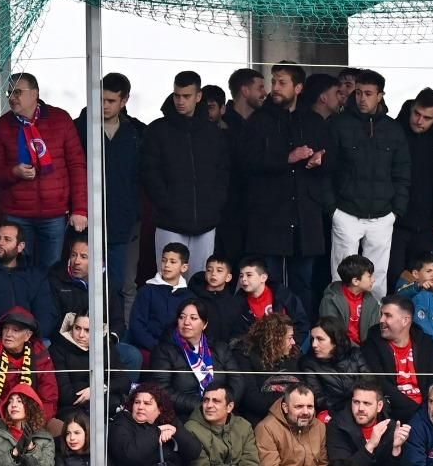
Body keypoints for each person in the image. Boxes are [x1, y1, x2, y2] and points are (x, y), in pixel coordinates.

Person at [230, 62, 331, 306]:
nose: (275, 87)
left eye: (282, 83)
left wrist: (320, 159)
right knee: (268, 282)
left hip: (304, 214)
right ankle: (269, 328)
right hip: (269, 215)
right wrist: (287, 158)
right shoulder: (258, 121)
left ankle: (300, 328)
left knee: (303, 282)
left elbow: (334, 158)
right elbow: (245, 161)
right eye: (273, 81)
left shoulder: (314, 121)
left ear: (298, 88)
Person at [0, 72, 88, 269]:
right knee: (19, 271)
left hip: (54, 213)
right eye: (8, 93)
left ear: (35, 94)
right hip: (16, 213)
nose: (11, 97)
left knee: (51, 270)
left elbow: (77, 166)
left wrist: (80, 209)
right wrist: (14, 172)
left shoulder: (60, 119)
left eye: (17, 92)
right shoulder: (2, 125)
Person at [328, 69, 410, 300]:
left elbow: (402, 171)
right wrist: (333, 209)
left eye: (368, 93)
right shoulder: (339, 124)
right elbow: (327, 169)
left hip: (383, 214)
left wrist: (396, 211)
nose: (362, 98)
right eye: (358, 93)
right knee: (342, 275)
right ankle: (339, 320)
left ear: (380, 95)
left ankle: (375, 320)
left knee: (377, 277)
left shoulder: (393, 129)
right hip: (346, 212)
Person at [142, 69, 229, 270]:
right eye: (177, 95)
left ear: (198, 96)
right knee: (168, 280)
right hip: (169, 221)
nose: (180, 101)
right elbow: (149, 172)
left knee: (201, 280)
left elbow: (223, 172)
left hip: (206, 222)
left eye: (186, 96)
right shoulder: (157, 130)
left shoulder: (213, 133)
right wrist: (166, 203)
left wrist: (214, 204)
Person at [75, 72, 144, 319]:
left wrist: (134, 211)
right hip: (86, 220)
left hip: (124, 221)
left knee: (123, 283)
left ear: (124, 100)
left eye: (111, 101)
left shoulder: (136, 132)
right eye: (100, 99)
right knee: (83, 281)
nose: (104, 105)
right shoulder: (79, 128)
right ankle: (82, 331)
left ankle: (118, 333)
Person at [362, 293, 433, 422]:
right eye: (381, 314)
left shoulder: (426, 343)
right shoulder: (372, 345)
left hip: (428, 410)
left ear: (405, 320)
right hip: (394, 414)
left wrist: (427, 409)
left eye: (388, 315)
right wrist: (417, 413)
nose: (381, 320)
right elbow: (381, 384)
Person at [0, 305, 59, 425]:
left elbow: (49, 398)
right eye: (5, 328)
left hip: (34, 418)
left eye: (15, 330)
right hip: (0, 418)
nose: (8, 334)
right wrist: (12, 418)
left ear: (28, 335)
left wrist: (33, 420)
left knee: (59, 427)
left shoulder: (40, 354)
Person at [394, 90, 433, 283]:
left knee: (424, 279)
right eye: (417, 113)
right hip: (396, 221)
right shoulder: (395, 132)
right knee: (393, 276)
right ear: (411, 108)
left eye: (427, 118)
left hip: (426, 224)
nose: (419, 121)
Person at [232, 311, 300, 423]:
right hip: (261, 420)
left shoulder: (293, 355)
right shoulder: (245, 356)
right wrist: (290, 399)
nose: (293, 342)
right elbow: (253, 400)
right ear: (275, 339)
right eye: (289, 338)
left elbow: (304, 390)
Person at [127, 242, 192, 355]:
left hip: (178, 351)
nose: (166, 265)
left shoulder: (189, 296)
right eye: (164, 260)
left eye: (172, 262)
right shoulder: (146, 291)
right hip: (148, 348)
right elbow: (137, 326)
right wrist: (157, 347)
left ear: (184, 267)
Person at [298, 315, 366, 418]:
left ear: (335, 341)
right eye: (312, 339)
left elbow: (370, 383)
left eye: (320, 339)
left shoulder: (355, 355)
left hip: (362, 408)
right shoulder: (309, 364)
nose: (314, 344)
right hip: (334, 414)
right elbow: (318, 399)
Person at [235, 255, 309, 343]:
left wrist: (293, 347)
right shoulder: (237, 302)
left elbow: (301, 324)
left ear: (263, 278)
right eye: (241, 276)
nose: (243, 279)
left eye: (249, 275)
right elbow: (238, 335)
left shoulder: (283, 295)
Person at [317, 253, 381, 347]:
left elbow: (375, 331)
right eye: (369, 276)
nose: (373, 280)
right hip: (341, 349)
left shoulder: (372, 301)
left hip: (366, 350)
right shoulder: (331, 301)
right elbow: (333, 333)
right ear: (355, 281)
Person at [186, 253, 242, 346]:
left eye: (219, 271)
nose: (213, 274)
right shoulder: (193, 297)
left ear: (228, 277)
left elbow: (235, 333)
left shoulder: (232, 304)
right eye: (209, 270)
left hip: (221, 351)